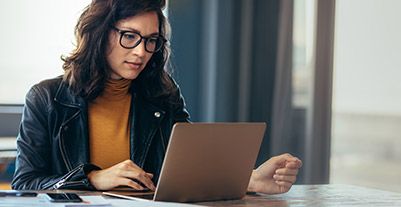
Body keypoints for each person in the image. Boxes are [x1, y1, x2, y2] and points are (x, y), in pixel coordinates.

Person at [11, 0, 302, 194]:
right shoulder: (47, 98)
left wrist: (249, 179)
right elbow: (25, 184)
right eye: (129, 36)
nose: (141, 51)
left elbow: (188, 170)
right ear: (100, 34)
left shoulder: (162, 94)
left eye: (151, 40)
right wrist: (92, 179)